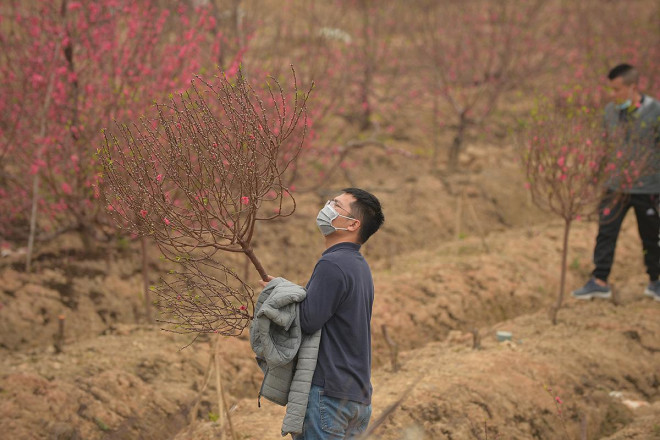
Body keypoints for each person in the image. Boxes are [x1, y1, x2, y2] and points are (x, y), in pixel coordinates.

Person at [260, 187, 384, 439]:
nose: (327, 207)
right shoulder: (358, 266)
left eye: (336, 205)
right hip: (356, 397)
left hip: (328, 395)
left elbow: (307, 320)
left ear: (352, 225)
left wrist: (280, 292)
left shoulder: (331, 263)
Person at [572, 64, 660, 302]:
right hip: (615, 186)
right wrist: (594, 178)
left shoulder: (655, 112)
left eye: (617, 89)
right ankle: (599, 281)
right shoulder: (610, 113)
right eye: (610, 89)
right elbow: (604, 149)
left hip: (648, 188)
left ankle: (656, 280)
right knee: (606, 232)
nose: (613, 94)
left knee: (651, 236)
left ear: (633, 87)